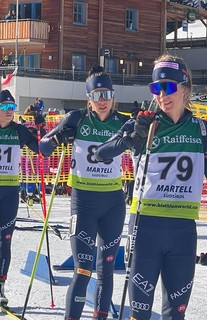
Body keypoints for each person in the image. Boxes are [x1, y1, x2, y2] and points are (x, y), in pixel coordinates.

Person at [94, 54, 207, 319]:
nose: (161, 95)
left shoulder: (203, 130)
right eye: (156, 88)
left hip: (182, 231)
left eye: (168, 87)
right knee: (139, 314)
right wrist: (131, 138)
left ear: (185, 88)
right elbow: (101, 153)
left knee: (175, 314)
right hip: (145, 229)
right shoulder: (143, 123)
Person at [39, 66, 129, 320]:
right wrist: (58, 140)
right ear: (89, 98)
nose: (103, 101)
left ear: (113, 95)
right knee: (84, 269)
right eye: (97, 95)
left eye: (107, 94)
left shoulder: (122, 122)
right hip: (84, 204)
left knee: (107, 268)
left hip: (113, 203)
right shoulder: (76, 119)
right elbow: (43, 147)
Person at [0, 89, 45, 307]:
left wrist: (41, 127)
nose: (9, 111)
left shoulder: (19, 131)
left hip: (9, 194)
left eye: (12, 107)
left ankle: (0, 287)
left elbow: (42, 149)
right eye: (5, 107)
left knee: (4, 241)